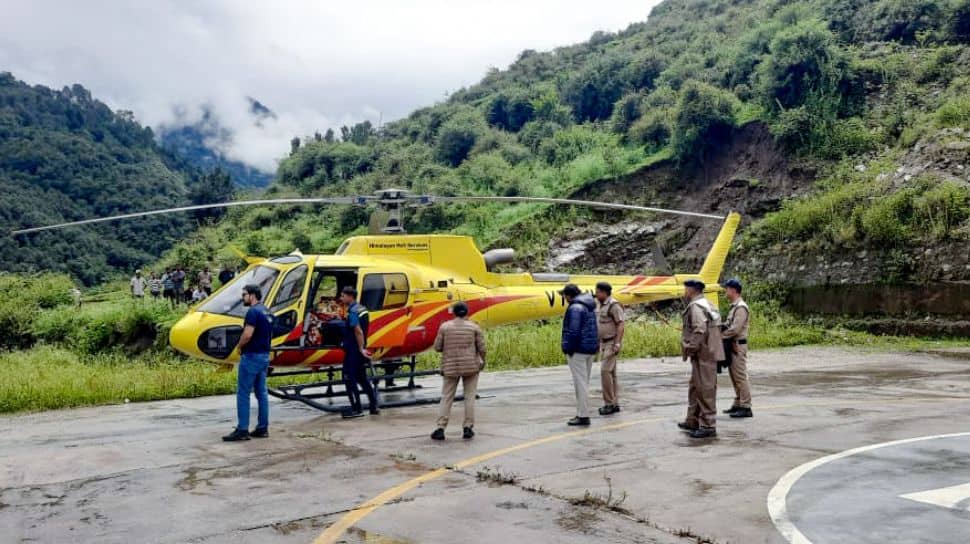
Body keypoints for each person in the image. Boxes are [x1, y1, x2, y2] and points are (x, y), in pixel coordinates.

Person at [223, 284, 274, 442]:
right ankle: (262, 428)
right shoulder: (267, 311)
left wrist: (239, 346)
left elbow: (247, 334)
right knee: (262, 394)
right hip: (264, 356)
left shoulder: (253, 312)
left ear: (252, 295)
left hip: (251, 356)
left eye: (244, 294)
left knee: (243, 393)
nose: (242, 297)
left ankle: (242, 429)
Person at [431, 301, 486, 441]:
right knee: (469, 397)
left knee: (446, 397)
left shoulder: (445, 327)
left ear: (454, 312)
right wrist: (482, 361)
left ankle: (440, 428)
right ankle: (468, 427)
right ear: (467, 312)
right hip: (471, 367)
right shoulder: (474, 327)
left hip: (450, 366)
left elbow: (437, 347)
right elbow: (482, 348)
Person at [678, 280, 724, 439]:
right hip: (710, 351)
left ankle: (708, 425)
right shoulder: (708, 304)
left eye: (685, 289)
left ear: (691, 290)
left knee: (705, 389)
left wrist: (691, 347)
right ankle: (693, 420)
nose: (684, 291)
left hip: (703, 354)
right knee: (695, 387)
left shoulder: (696, 306)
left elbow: (700, 328)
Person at [560, 283, 599, 427]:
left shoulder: (575, 308)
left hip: (578, 351)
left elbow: (574, 332)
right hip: (589, 349)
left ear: (569, 296)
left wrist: (568, 348)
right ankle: (582, 413)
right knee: (584, 382)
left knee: (580, 384)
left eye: (564, 295)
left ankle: (583, 415)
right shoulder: (589, 306)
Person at [339, 286, 379, 418]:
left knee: (348, 378)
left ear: (350, 297)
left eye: (343, 296)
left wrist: (360, 348)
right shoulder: (363, 309)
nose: (341, 298)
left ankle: (357, 408)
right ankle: (374, 406)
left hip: (354, 351)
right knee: (362, 378)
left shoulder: (353, 312)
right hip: (359, 350)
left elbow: (358, 331)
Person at [720, 279, 752, 418]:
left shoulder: (741, 307)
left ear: (733, 290)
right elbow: (728, 324)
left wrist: (720, 336)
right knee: (734, 376)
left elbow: (735, 329)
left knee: (740, 376)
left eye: (727, 289)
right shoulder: (734, 306)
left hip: (738, 345)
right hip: (732, 344)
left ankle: (746, 406)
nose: (725, 291)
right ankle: (738, 403)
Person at [594, 282, 626, 416]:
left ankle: (608, 404)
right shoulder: (600, 305)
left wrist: (617, 343)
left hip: (612, 343)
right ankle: (614, 403)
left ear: (604, 292)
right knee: (612, 374)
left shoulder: (614, 305)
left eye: (598, 292)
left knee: (605, 371)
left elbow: (621, 324)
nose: (596, 294)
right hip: (604, 343)